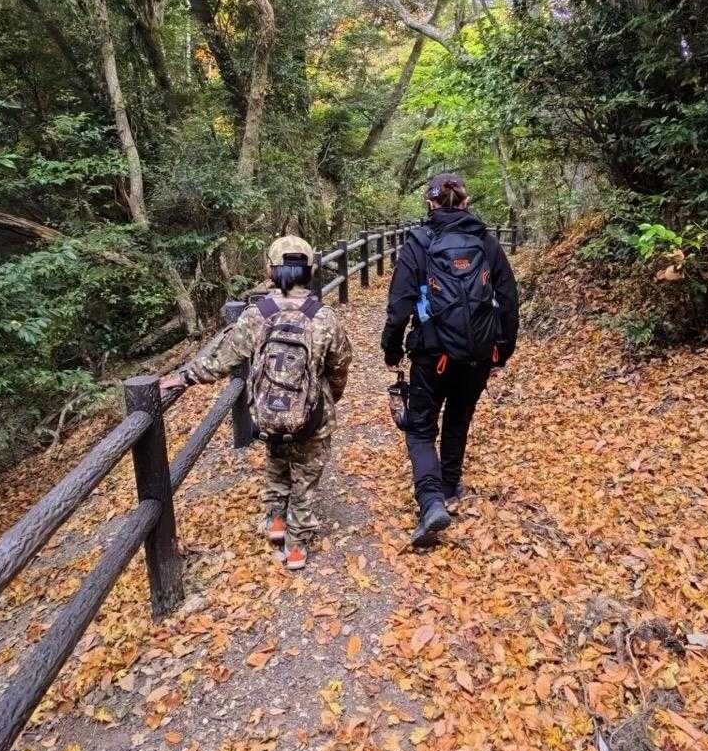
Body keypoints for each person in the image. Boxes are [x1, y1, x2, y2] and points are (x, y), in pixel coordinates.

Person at [162, 236, 352, 570]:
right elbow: (340, 365)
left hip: (269, 411)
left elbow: (223, 356)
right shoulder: (324, 317)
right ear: (310, 271)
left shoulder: (257, 314)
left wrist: (184, 376)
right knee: (306, 477)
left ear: (270, 270)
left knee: (277, 458)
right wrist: (330, 398)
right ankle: (296, 547)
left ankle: (275, 521)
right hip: (311, 415)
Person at [382, 174, 519, 547]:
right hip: (478, 353)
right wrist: (502, 351)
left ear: (430, 204)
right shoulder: (485, 241)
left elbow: (399, 305)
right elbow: (508, 300)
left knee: (420, 427)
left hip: (432, 353)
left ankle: (431, 502)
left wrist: (392, 350)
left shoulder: (419, 242)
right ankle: (450, 487)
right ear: (466, 202)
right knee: (459, 416)